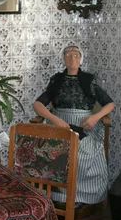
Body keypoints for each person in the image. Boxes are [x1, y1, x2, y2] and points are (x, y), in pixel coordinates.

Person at [33, 45, 115, 206]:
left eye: (76, 55)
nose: (72, 58)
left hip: (84, 124)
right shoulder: (57, 80)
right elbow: (38, 104)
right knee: (52, 149)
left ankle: (79, 196)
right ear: (63, 59)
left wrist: (95, 117)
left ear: (81, 59)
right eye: (68, 55)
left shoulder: (89, 80)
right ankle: (56, 196)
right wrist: (55, 120)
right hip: (60, 123)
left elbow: (110, 104)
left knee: (82, 151)